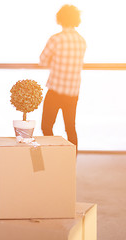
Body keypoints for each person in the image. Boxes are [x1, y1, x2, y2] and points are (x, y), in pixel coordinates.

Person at [40, 4, 86, 151]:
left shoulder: (56, 39)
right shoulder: (81, 41)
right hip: (73, 92)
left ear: (60, 19)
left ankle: (55, 154)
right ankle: (71, 161)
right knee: (70, 128)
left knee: (46, 126)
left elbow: (42, 60)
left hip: (55, 90)